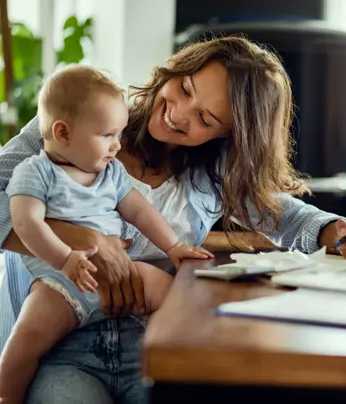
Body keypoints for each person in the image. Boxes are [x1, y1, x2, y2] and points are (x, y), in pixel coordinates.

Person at [0, 36, 346, 403]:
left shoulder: (213, 172)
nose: (178, 113)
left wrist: (336, 230)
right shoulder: (78, 121)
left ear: (229, 134)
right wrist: (81, 238)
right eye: (184, 88)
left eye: (205, 117)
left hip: (150, 341)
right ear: (176, 70)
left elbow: (287, 216)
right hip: (58, 343)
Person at [0, 65, 212, 404]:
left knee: (172, 293)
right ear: (63, 133)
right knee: (26, 337)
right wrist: (69, 256)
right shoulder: (35, 173)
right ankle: (8, 397)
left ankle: (161, 360)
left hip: (122, 272)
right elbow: (26, 224)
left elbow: (139, 210)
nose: (117, 145)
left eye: (119, 134)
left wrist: (173, 246)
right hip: (62, 282)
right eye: (106, 135)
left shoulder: (110, 172)